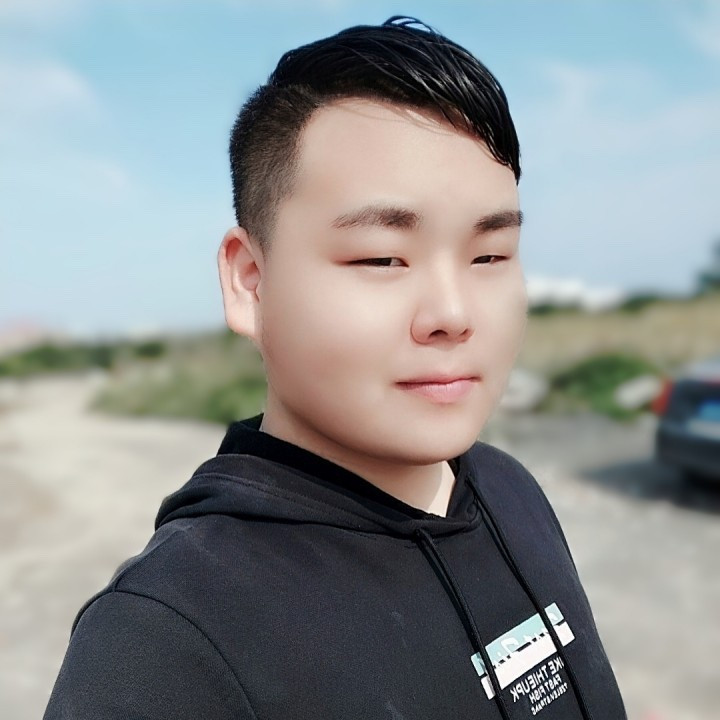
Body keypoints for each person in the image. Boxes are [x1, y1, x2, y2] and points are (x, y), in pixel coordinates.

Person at [44, 16, 626, 720]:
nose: (453, 312)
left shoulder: (509, 489)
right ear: (251, 281)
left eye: (490, 255)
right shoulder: (163, 644)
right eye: (382, 258)